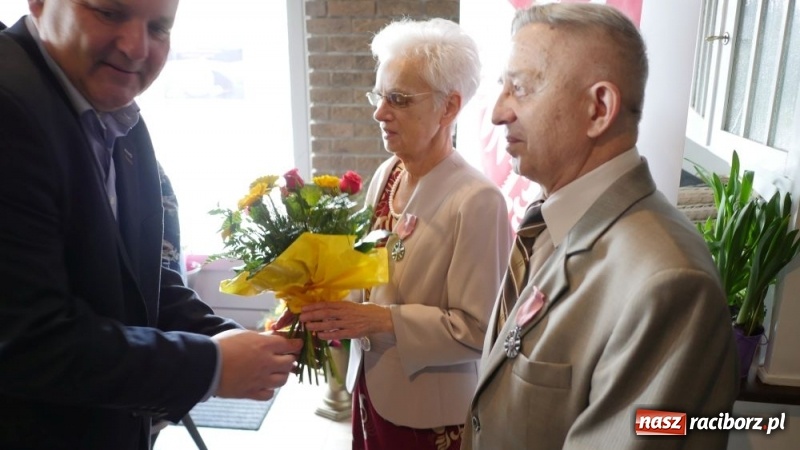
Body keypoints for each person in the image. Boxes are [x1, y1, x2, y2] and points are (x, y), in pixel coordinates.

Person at [0, 2, 301, 449]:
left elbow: (139, 279)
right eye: (109, 12)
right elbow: (28, 341)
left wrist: (220, 334)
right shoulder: (10, 106)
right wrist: (211, 365)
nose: (137, 47)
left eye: (159, 27)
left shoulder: (118, 115)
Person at [463, 4, 739, 450]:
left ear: (599, 108)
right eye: (502, 87)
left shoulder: (669, 284)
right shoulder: (551, 220)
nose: (497, 113)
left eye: (520, 88)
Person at [297, 18, 513, 450]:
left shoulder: (477, 201)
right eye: (379, 95)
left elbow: (477, 331)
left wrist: (377, 319)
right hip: (374, 388)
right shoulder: (389, 173)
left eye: (397, 99)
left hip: (430, 419)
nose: (379, 112)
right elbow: (371, 270)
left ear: (448, 108)